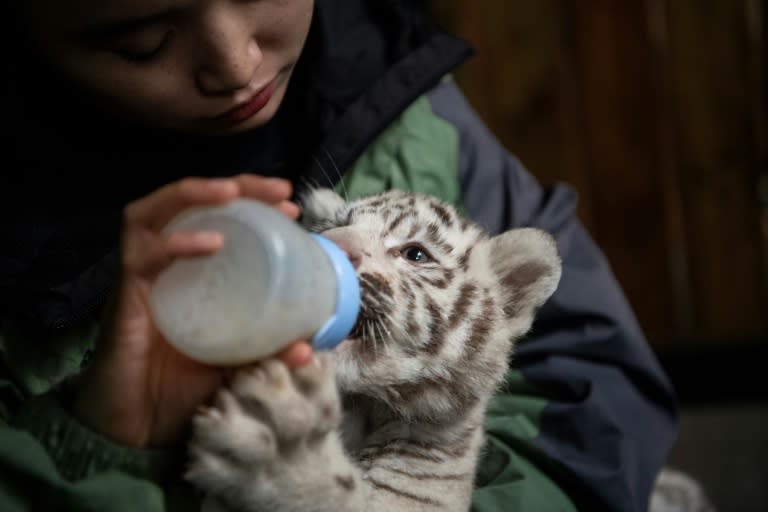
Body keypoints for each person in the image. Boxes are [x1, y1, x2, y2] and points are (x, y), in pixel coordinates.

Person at [0, 1, 678, 510]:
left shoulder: (406, 95)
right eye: (143, 41)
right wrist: (96, 445)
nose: (238, 66)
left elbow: (596, 389)